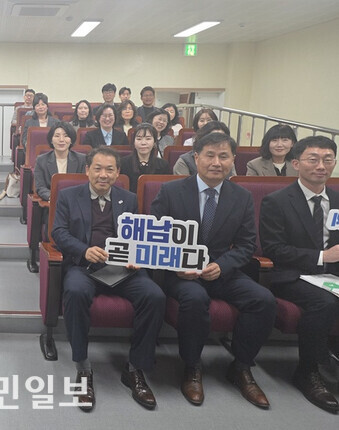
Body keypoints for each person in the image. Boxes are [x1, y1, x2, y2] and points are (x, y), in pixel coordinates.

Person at [150, 132, 277, 409]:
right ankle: (192, 366)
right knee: (195, 298)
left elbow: (246, 244)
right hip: (180, 272)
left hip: (221, 269)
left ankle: (241, 366)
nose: (216, 162)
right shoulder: (170, 191)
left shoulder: (241, 197)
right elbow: (154, 237)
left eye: (223, 156)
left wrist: (222, 265)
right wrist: (176, 264)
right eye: (210, 155)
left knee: (264, 300)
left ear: (233, 160)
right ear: (196, 158)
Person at [52, 146, 165, 411]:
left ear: (117, 173)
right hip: (85, 266)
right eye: (98, 169)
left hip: (121, 268)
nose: (103, 175)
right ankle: (83, 367)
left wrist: (136, 255)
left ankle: (135, 368)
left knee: (155, 296)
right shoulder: (69, 196)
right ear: (87, 170)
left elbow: (137, 236)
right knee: (75, 292)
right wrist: (84, 250)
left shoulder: (129, 199)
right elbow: (58, 232)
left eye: (110, 169)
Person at [259, 136, 339, 413]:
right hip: (293, 276)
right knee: (323, 302)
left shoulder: (338, 200)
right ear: (296, 163)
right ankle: (308, 371)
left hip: (333, 275)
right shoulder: (277, 201)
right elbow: (275, 249)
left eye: (328, 160)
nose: (321, 166)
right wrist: (322, 257)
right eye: (313, 159)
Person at [34, 122, 86, 201]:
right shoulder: (41, 160)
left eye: (66, 136)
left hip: (75, 202)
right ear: (51, 140)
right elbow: (40, 187)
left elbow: (84, 185)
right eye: (57, 136)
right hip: (52, 202)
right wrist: (53, 197)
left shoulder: (82, 159)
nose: (61, 140)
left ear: (71, 140)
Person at [173, 121, 237, 177]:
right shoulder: (184, 161)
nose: (217, 163)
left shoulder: (227, 160)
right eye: (210, 156)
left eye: (223, 157)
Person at [120, 123, 172, 193]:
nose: (143, 143)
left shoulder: (163, 165)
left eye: (148, 139)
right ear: (134, 142)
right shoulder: (123, 163)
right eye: (139, 139)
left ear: (154, 142)